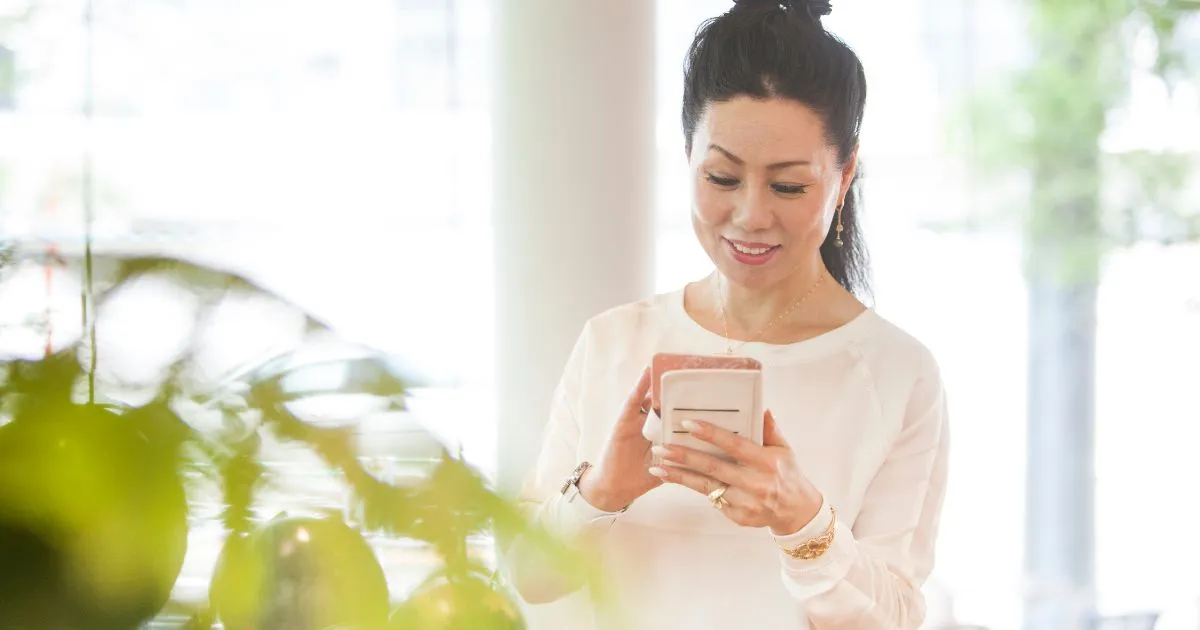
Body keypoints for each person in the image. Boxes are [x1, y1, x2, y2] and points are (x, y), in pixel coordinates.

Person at [503, 1, 950, 628]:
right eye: (721, 177)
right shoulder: (613, 342)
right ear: (687, 157)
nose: (750, 216)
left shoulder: (897, 374)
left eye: (788, 185)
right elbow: (525, 579)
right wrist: (602, 493)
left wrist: (804, 522)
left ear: (843, 176)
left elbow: (895, 617)